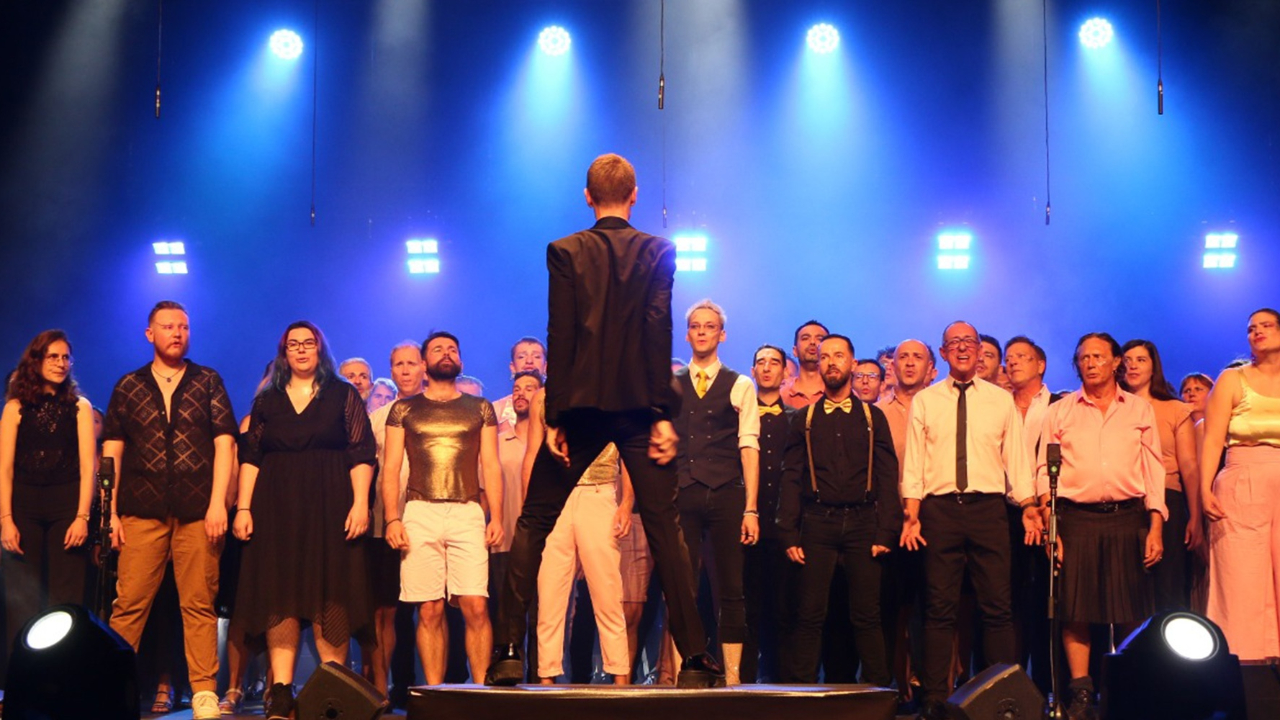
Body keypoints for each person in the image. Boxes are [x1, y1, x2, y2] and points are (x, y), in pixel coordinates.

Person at [489, 153, 722, 688]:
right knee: (666, 529)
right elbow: (657, 327)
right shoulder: (658, 249)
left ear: (587, 197)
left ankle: (506, 652)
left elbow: (561, 334)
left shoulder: (566, 250)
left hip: (585, 406)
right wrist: (663, 411)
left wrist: (555, 416)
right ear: (634, 195)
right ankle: (693, 658)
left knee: (533, 521)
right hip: (639, 406)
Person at [233, 321, 375, 720]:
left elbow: (362, 452)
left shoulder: (343, 394)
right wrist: (243, 507)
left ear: (319, 349)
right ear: (284, 353)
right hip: (276, 507)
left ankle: (332, 687)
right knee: (281, 595)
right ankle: (281, 691)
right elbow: (251, 457)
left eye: (307, 343)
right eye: (292, 344)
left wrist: (361, 503)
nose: (300, 350)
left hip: (332, 505)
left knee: (332, 590)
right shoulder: (268, 400)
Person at [900, 321, 1042, 720]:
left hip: (988, 509)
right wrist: (911, 511)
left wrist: (1029, 503)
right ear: (943, 354)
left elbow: (1015, 456)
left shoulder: (1000, 400)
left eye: (969, 342)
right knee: (939, 609)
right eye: (953, 344)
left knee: (997, 607)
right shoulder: (926, 401)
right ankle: (933, 698)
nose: (962, 349)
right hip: (940, 510)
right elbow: (915, 461)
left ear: (980, 351)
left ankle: (1003, 696)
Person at [103, 301, 237, 720]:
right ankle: (112, 689)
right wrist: (108, 513)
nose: (177, 333)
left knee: (199, 603)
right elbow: (112, 449)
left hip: (198, 509)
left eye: (183, 326)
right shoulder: (129, 385)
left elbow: (225, 444)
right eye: (167, 326)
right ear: (150, 334)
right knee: (129, 604)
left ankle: (203, 692)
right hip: (141, 510)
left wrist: (220, 502)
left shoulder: (207, 380)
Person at [1035, 332, 1166, 720]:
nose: (1090, 363)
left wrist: (1155, 524)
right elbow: (1045, 470)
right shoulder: (1060, 411)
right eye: (1083, 357)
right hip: (1076, 518)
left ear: (1115, 362)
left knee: (1131, 609)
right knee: (1076, 609)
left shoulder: (1138, 410)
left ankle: (1127, 684)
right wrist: (1050, 522)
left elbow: (1153, 469)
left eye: (1097, 356)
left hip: (1128, 517)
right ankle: (1081, 693)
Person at [381, 332, 504, 685]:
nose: (446, 354)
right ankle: (436, 693)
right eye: (438, 349)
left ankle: (481, 691)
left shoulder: (480, 407)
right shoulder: (403, 408)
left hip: (467, 511)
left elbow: (491, 466)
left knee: (476, 606)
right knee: (430, 609)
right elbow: (390, 469)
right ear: (424, 363)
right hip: (420, 511)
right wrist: (392, 517)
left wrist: (494, 514)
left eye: (453, 350)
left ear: (461, 361)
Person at [777, 335, 901, 685]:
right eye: (824, 356)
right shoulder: (804, 418)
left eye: (839, 355)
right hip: (818, 521)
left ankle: (879, 696)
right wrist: (788, 531)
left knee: (867, 616)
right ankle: (801, 696)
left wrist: (886, 530)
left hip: (864, 522)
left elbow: (888, 474)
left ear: (852, 362)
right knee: (810, 615)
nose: (831, 362)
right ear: (817, 362)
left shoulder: (872, 416)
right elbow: (791, 477)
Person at [671, 298, 760, 685]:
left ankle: (733, 676)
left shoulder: (740, 384)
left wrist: (751, 508)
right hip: (683, 493)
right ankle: (684, 667)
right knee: (681, 585)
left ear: (721, 334)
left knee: (731, 586)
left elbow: (749, 446)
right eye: (696, 326)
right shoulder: (670, 386)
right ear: (688, 333)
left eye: (710, 326)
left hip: (726, 492)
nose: (703, 331)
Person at [524, 381, 632, 684]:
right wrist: (529, 510)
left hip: (599, 493)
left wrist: (626, 503)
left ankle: (619, 677)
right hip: (553, 496)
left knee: (608, 592)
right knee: (550, 594)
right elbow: (532, 455)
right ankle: (546, 676)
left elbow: (628, 454)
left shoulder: (615, 391)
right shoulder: (543, 397)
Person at [1, 331, 94, 659]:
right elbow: (5, 468)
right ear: (37, 360)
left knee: (65, 600)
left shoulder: (80, 407)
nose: (61, 363)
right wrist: (6, 521)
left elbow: (88, 467)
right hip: (23, 507)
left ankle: (63, 679)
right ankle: (19, 685)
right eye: (53, 357)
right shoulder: (16, 407)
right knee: (22, 600)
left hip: (67, 508)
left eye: (66, 357)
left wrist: (82, 517)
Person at [1201, 309, 1280, 664]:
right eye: (1251, 328)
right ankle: (1242, 664)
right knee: (1240, 578)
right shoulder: (1232, 379)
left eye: (1266, 326)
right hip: (1241, 477)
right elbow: (1213, 439)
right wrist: (1204, 489)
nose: (1257, 332)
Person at [1121, 339, 1202, 611]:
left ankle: (1170, 652)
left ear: (1154, 367)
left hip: (1170, 501)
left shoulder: (1175, 409)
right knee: (1128, 591)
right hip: (1126, 502)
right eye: (1127, 359)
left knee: (1169, 587)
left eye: (1141, 360)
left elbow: (1189, 466)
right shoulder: (1112, 409)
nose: (1132, 365)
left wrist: (1195, 516)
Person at [367, 342, 427, 697]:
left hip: (428, 517)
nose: (405, 370)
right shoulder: (379, 417)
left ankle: (437, 686)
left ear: (423, 366)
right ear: (390, 370)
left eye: (410, 363)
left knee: (431, 609)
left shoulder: (438, 408)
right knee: (385, 609)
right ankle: (380, 687)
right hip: (385, 521)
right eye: (398, 364)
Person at [1002, 335, 1060, 696]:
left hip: (1045, 509)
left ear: (1040, 364)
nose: (1013, 363)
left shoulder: (1058, 404)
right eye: (1009, 358)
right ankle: (1008, 682)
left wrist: (1043, 505)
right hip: (1004, 511)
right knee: (1005, 601)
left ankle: (1047, 683)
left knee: (1044, 599)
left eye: (1022, 357)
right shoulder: (996, 403)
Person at [743, 344, 796, 683]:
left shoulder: (796, 419)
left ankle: (782, 684)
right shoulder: (737, 418)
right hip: (745, 525)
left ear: (784, 371)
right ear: (752, 371)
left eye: (774, 363)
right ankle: (744, 682)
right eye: (760, 362)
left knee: (783, 610)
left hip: (784, 527)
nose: (766, 368)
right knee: (746, 609)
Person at [493, 337, 548, 429]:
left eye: (536, 357)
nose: (529, 361)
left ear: (546, 366)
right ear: (512, 367)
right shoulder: (497, 410)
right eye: (521, 357)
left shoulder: (558, 405)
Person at [782, 321, 829, 409]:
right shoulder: (781, 394)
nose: (812, 342)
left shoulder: (841, 394)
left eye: (819, 338)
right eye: (805, 338)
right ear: (795, 351)